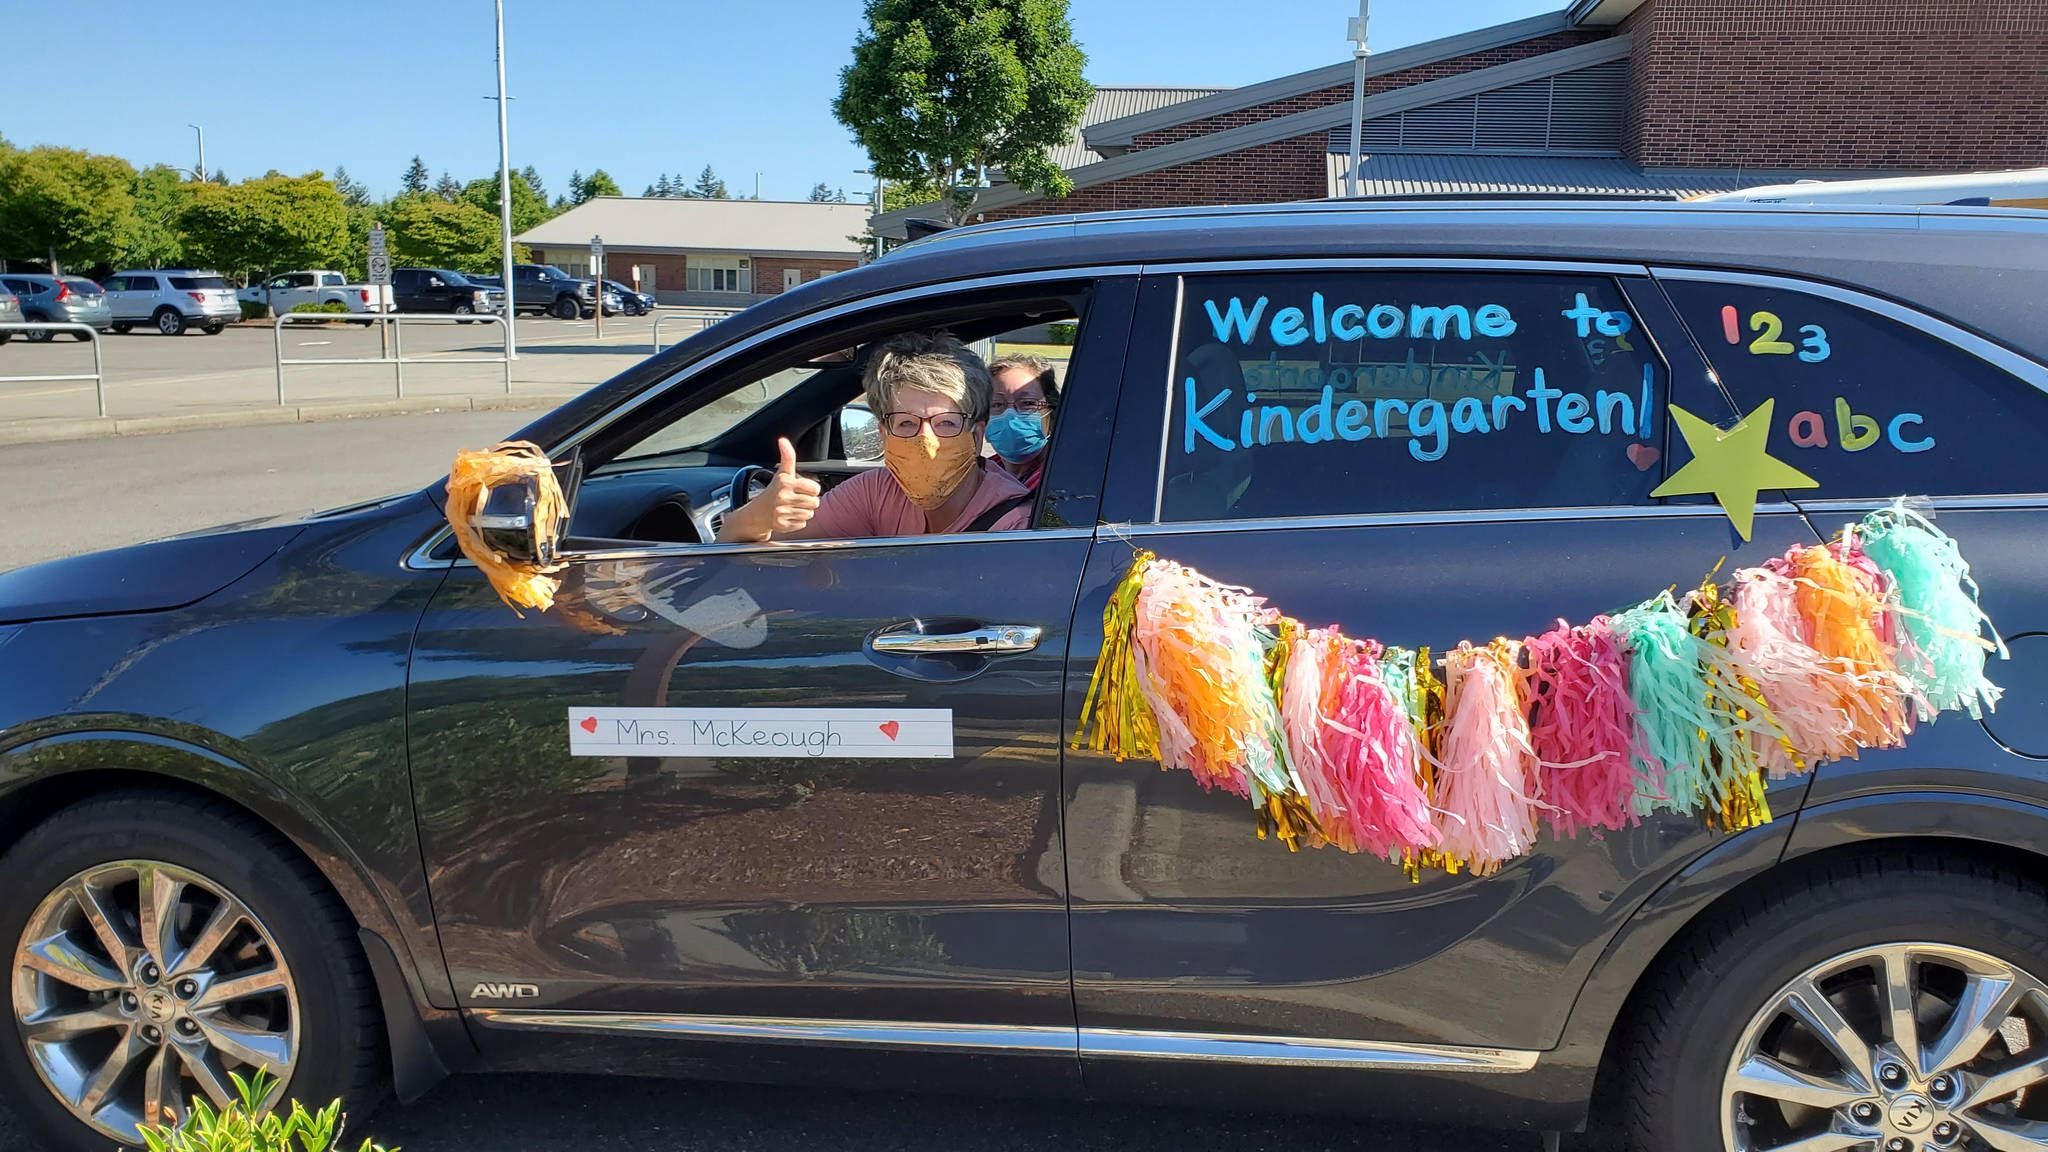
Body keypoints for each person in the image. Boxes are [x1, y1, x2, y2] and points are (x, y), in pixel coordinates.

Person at [716, 331, 1034, 542]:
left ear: (976, 434)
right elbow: (733, 555)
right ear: (884, 434)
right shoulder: (878, 492)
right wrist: (759, 516)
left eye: (946, 423)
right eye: (906, 424)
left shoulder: (1014, 524)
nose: (926, 441)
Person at [984, 353, 1060, 492]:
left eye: (1027, 403)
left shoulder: (1062, 479)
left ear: (1051, 413)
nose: (1010, 417)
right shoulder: (982, 474)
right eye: (997, 404)